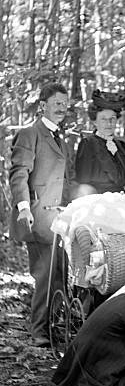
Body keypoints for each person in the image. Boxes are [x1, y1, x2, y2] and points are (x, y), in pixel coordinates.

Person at [9, 82, 74, 347]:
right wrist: (24, 207)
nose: (62, 108)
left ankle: (51, 325)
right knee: (45, 275)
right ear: (42, 106)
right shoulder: (29, 133)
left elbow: (64, 180)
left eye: (64, 103)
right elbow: (18, 173)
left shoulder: (62, 137)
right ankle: (39, 331)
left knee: (59, 274)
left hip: (59, 219)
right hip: (35, 217)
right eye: (57, 103)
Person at [75, 88, 125, 194]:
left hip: (121, 198)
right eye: (103, 119)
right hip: (96, 199)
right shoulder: (88, 144)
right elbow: (82, 179)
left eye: (112, 119)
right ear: (95, 122)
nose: (109, 123)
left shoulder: (122, 146)